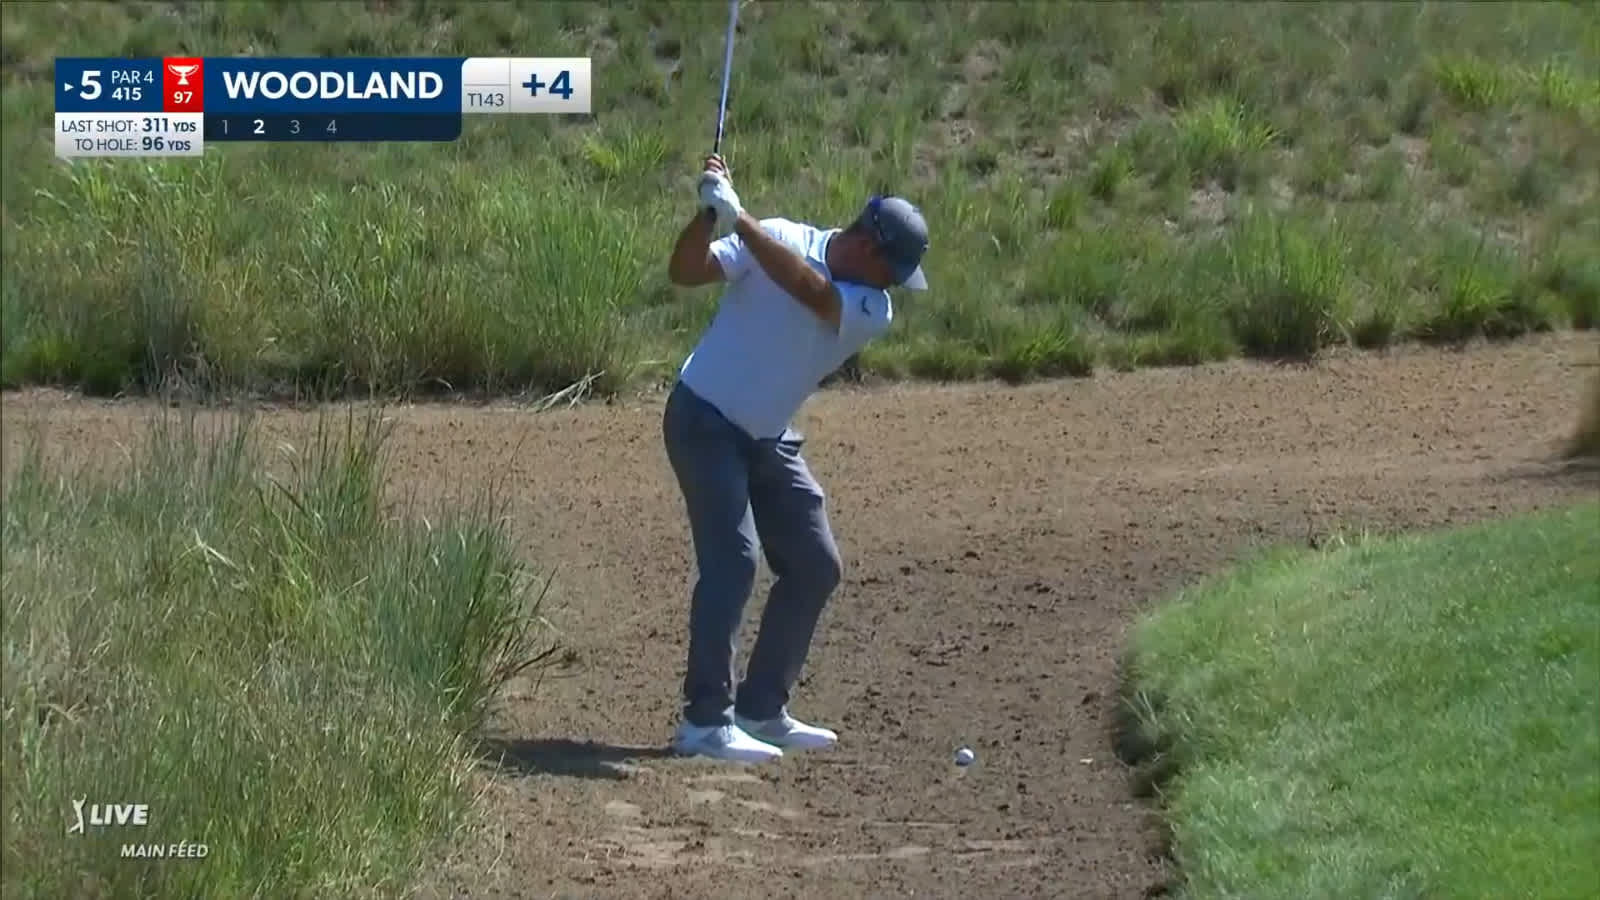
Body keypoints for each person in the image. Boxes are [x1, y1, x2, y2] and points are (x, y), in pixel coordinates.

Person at [661, 153, 930, 763]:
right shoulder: (781, 237)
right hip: (703, 419)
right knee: (734, 562)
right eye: (894, 269)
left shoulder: (869, 308)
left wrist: (743, 220)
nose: (894, 286)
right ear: (867, 245)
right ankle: (705, 724)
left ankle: (761, 710)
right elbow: (686, 271)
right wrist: (710, 215)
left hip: (764, 434)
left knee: (814, 563)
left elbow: (812, 293)